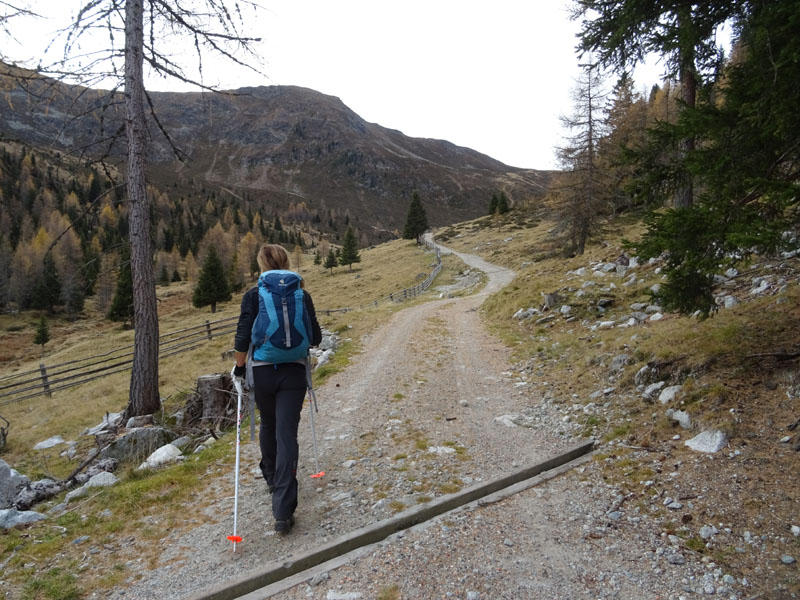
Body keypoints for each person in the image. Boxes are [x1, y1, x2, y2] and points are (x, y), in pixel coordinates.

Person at [232, 244, 322, 535]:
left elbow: (243, 333)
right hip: (294, 372)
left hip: (262, 372)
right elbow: (316, 337)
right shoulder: (301, 293)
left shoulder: (253, 295)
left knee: (268, 425)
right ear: (285, 263)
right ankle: (283, 511)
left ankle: (272, 478)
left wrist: (239, 367)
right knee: (287, 433)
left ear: (261, 265)